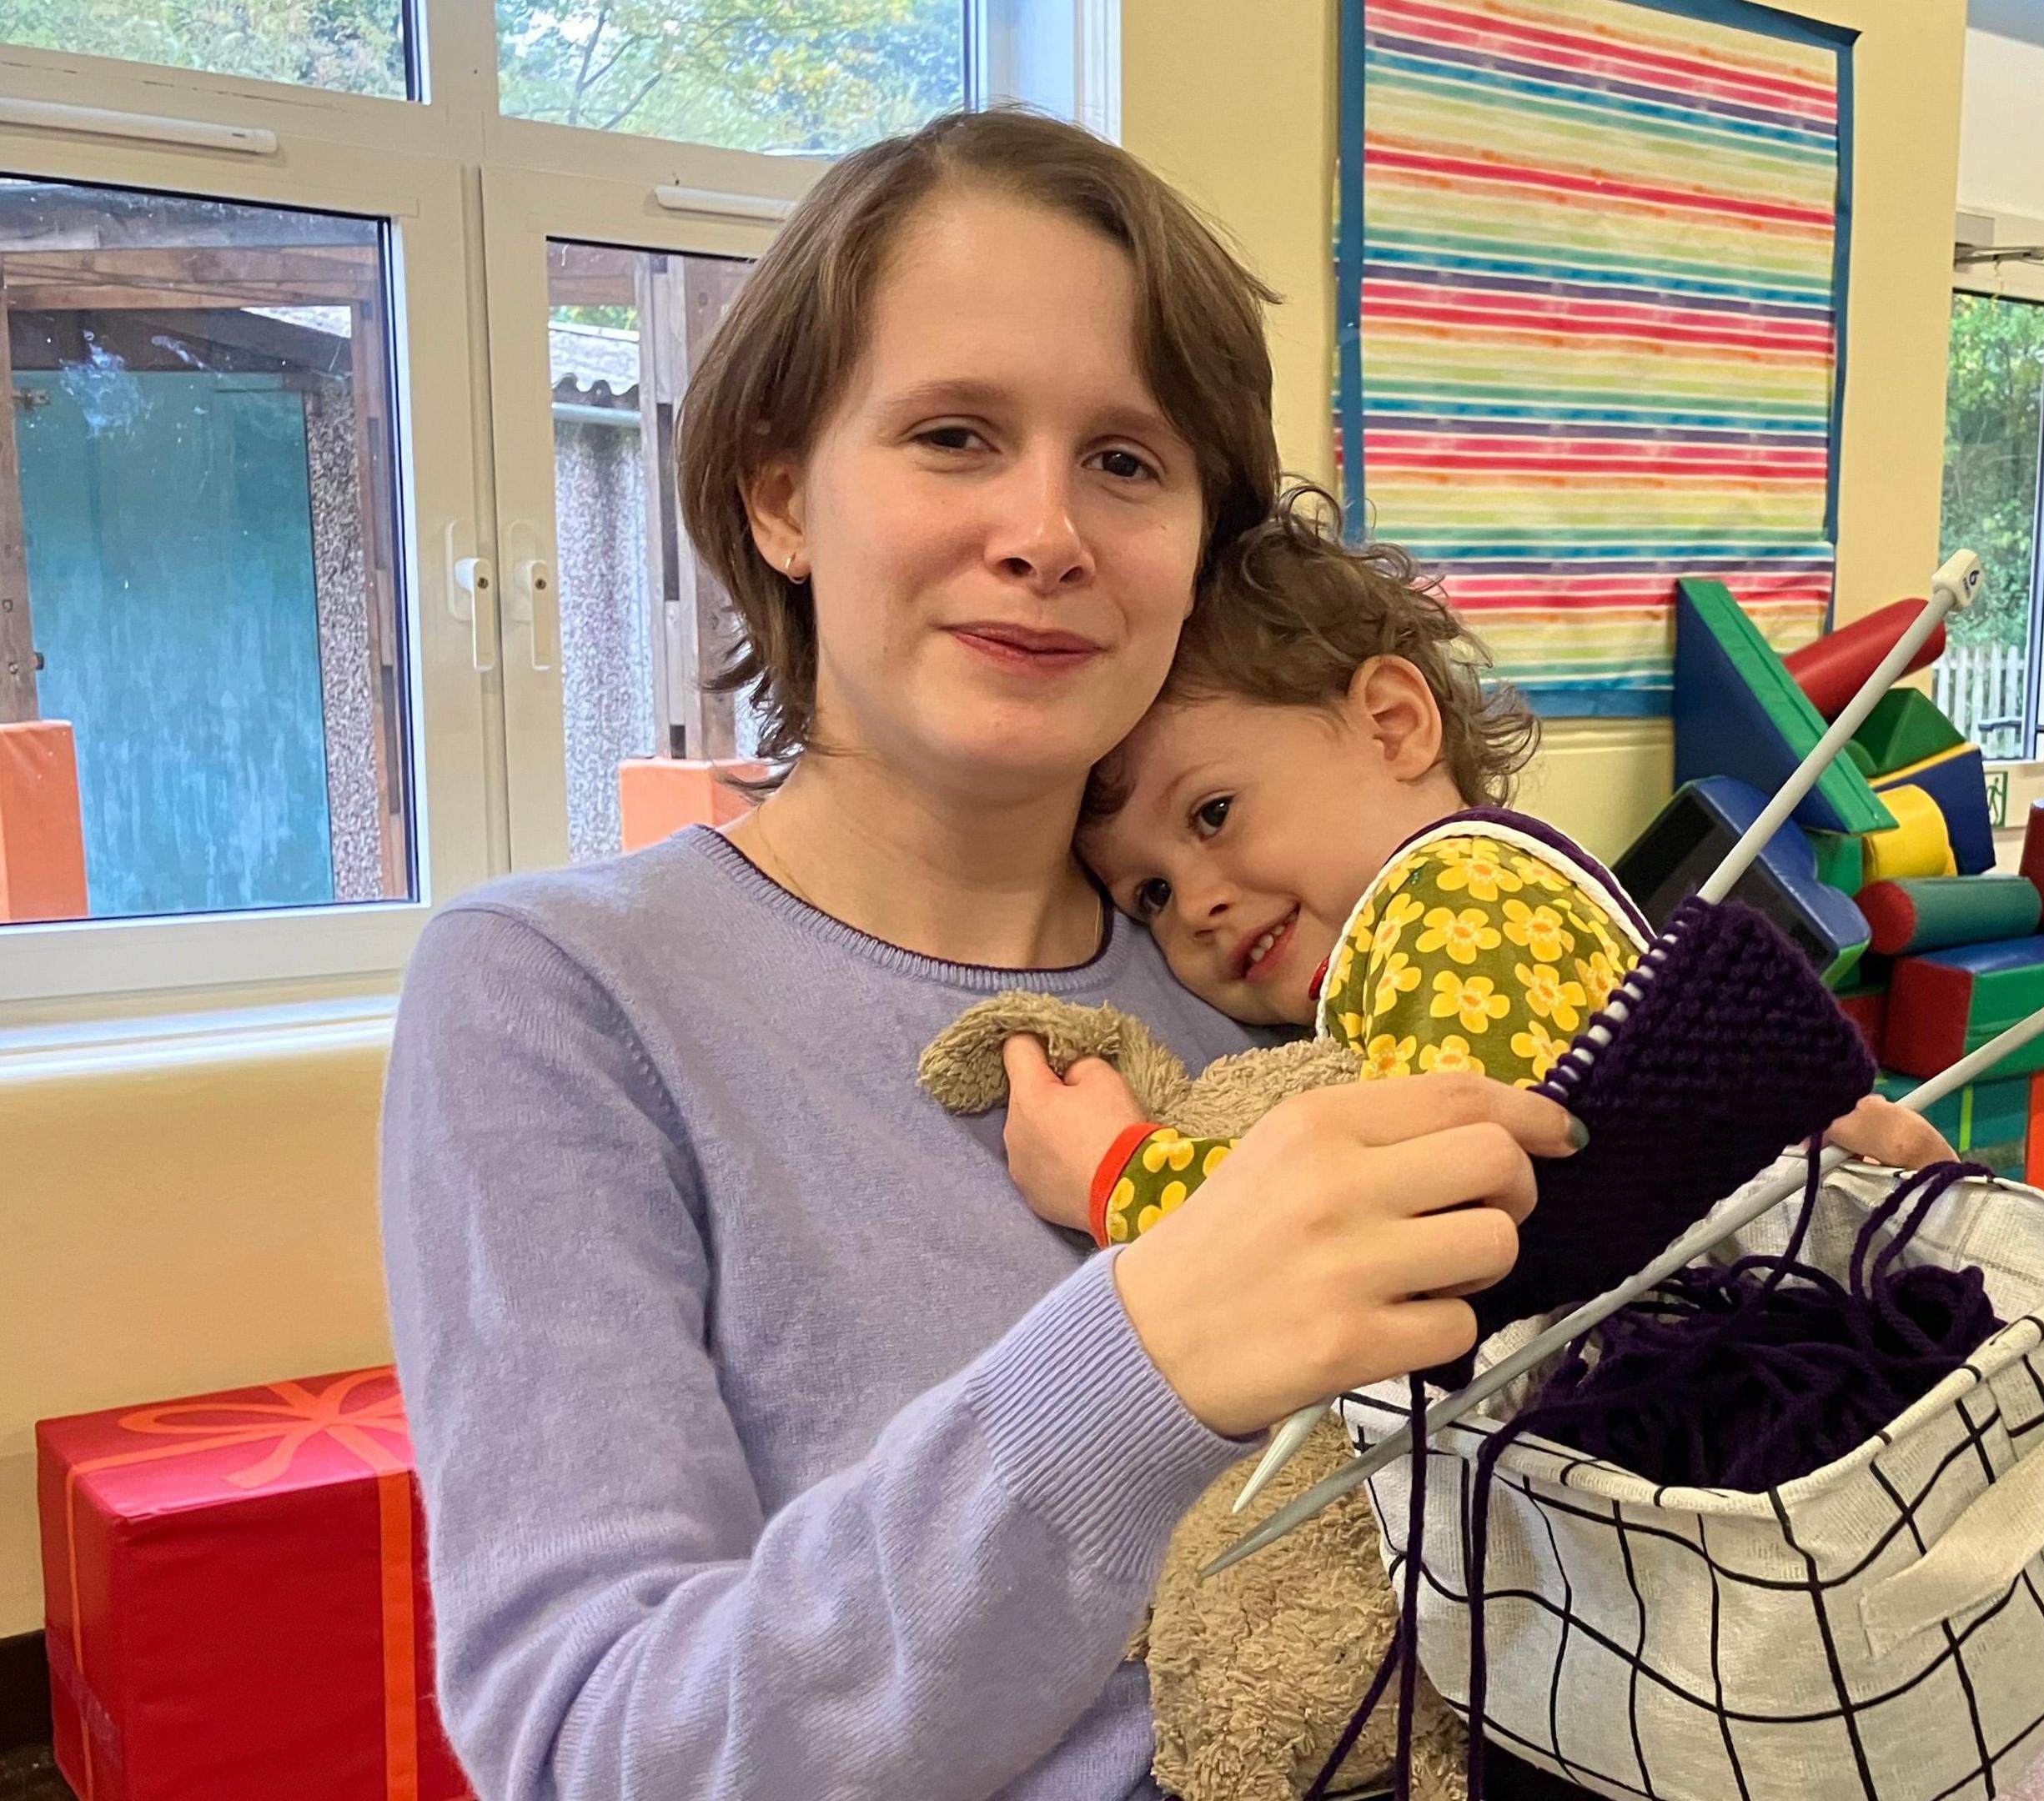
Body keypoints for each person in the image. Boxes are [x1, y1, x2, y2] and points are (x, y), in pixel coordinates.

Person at [379, 110, 1575, 1801]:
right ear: (780, 493)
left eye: (1129, 461)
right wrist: (1139, 1362)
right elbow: (595, 1750)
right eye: (953, 434)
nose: (1048, 531)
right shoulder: (561, 999)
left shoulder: (1271, 1006)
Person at [1020, 489, 1946, 1242]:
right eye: (1152, 893)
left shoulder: (1453, 900)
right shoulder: (1483, 891)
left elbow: (1406, 1226)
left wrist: (1123, 1178)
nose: (1197, 908)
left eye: (1213, 814)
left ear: (1392, 723)